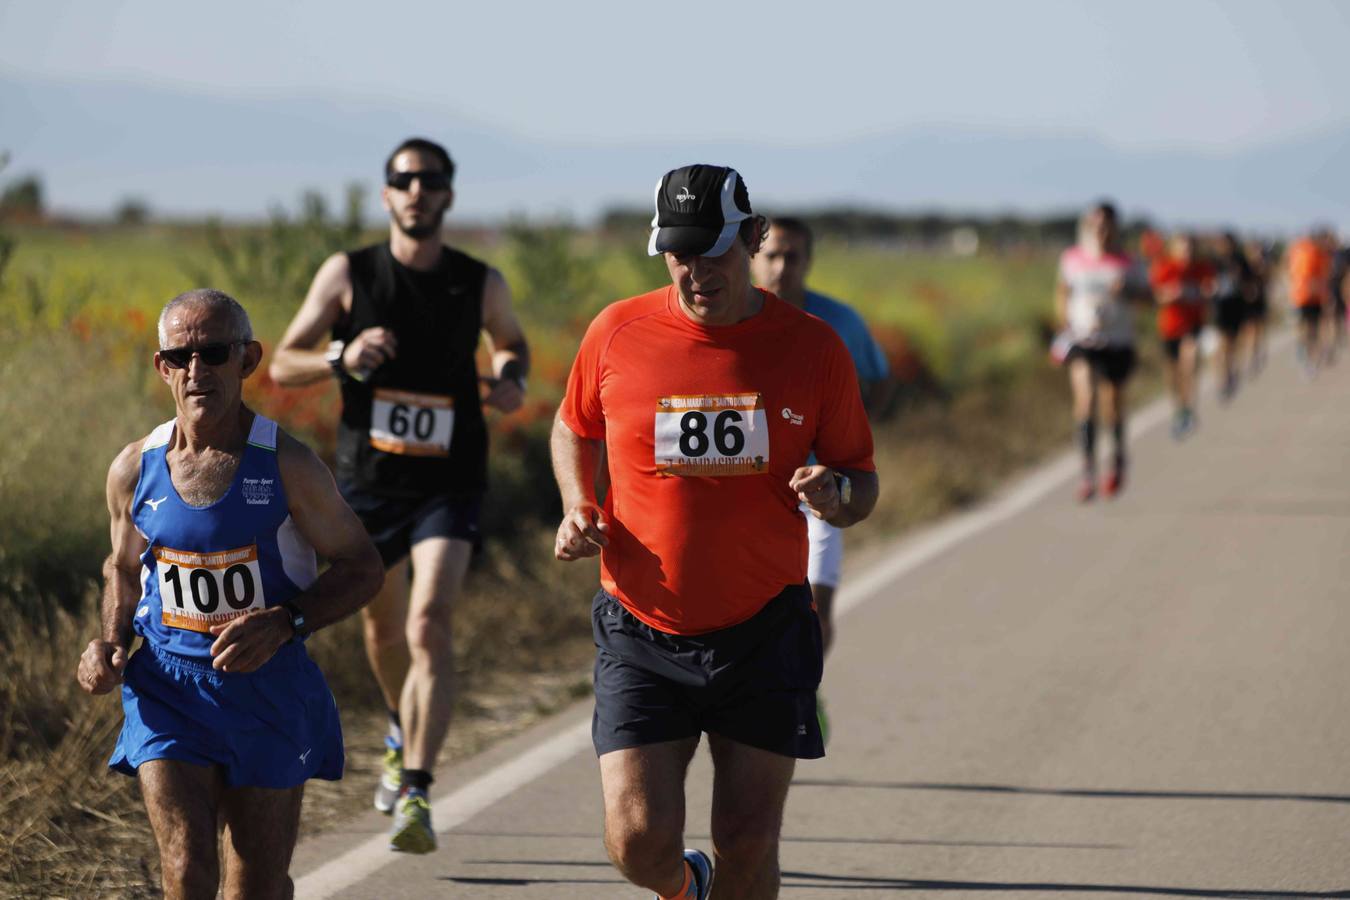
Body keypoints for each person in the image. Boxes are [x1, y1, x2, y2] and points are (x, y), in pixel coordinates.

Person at [552, 164, 878, 900]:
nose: (696, 272)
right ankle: (684, 886)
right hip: (641, 625)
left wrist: (837, 494)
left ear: (754, 238)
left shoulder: (813, 347)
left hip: (763, 627)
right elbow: (573, 426)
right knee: (636, 841)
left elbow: (863, 479)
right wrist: (579, 503)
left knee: (749, 839)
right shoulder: (617, 331)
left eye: (715, 252)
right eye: (678, 254)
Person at [77, 289, 384, 900]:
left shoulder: (288, 465)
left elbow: (363, 566)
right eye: (180, 355)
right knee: (188, 875)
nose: (197, 371)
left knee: (256, 888)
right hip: (167, 688)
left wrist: (285, 621)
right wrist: (110, 642)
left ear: (247, 360)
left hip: (267, 689)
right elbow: (123, 566)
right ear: (162, 366)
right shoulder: (135, 467)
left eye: (214, 353)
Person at [269, 137, 530, 853]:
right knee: (383, 633)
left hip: (449, 481)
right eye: (404, 180)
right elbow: (284, 362)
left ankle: (416, 783)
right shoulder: (349, 274)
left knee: (427, 625)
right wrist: (340, 357)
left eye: (431, 180)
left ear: (448, 194)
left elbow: (511, 343)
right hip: (367, 484)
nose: (417, 190)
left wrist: (512, 377)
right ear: (387, 194)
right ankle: (397, 723)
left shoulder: (479, 280)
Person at [749, 216, 892, 660]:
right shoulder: (731, 322)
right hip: (750, 493)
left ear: (808, 262)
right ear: (753, 259)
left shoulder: (838, 323)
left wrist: (851, 436)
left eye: (792, 257)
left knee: (815, 612)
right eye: (771, 255)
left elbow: (881, 380)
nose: (781, 267)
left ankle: (804, 696)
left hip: (818, 492)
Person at [1053, 201, 1151, 501]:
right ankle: (1087, 472)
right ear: (1087, 226)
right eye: (1095, 224)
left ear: (1115, 227)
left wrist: (1129, 291)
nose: (1101, 230)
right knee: (1086, 400)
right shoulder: (1072, 259)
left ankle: (1118, 458)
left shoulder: (1128, 262)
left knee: (1112, 405)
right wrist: (1064, 327)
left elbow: (1148, 299)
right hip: (1083, 341)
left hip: (1118, 341)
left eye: (1106, 224)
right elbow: (1061, 293)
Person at [1149, 233, 1213, 439]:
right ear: (1174, 249)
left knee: (1190, 362)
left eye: (1191, 248)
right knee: (1173, 375)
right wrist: (1170, 295)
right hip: (1169, 327)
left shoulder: (1201, 269)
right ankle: (1179, 409)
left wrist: (1206, 293)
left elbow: (1210, 290)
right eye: (1183, 248)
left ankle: (1189, 407)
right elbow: (1154, 296)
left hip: (1192, 326)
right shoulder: (1165, 267)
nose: (1187, 253)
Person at [1210, 231, 1254, 402]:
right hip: (1219, 307)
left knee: (1233, 343)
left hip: (1237, 306)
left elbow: (1249, 282)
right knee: (1222, 343)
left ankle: (1231, 372)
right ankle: (1222, 379)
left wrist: (1246, 287)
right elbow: (1206, 282)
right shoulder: (1214, 262)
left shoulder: (1240, 260)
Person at [1285, 228, 1333, 377]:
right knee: (1309, 328)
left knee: (1311, 328)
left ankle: (1308, 354)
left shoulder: (1317, 253)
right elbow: (1309, 278)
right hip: (1306, 297)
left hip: (1309, 297)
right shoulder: (1310, 252)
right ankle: (1306, 354)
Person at [1241, 238, 1272, 375]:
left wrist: (1262, 268)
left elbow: (1268, 281)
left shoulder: (1263, 266)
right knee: (1250, 330)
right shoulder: (1245, 266)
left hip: (1260, 301)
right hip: (1247, 303)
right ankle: (1250, 358)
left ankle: (1258, 352)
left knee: (1259, 328)